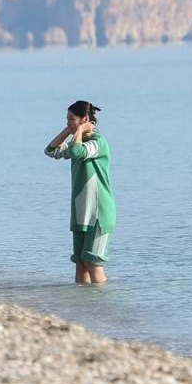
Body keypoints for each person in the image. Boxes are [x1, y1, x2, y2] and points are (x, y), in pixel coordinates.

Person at [44, 100, 115, 285]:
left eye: (71, 119)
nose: (67, 122)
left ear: (84, 119)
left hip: (99, 213)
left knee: (93, 262)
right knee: (81, 262)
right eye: (66, 119)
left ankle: (101, 306)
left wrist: (80, 131)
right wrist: (68, 131)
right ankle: (83, 308)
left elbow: (77, 152)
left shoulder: (98, 143)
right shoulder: (78, 140)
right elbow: (50, 150)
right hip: (81, 212)